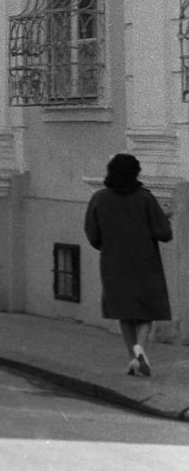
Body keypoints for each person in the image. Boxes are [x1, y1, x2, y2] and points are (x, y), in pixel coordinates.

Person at [84, 152, 173, 376]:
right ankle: (141, 350)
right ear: (135, 174)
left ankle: (133, 358)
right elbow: (164, 233)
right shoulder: (145, 198)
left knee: (124, 313)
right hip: (145, 263)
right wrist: (165, 216)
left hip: (114, 264)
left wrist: (109, 245)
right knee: (146, 312)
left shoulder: (99, 198)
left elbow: (93, 235)